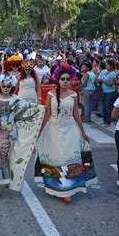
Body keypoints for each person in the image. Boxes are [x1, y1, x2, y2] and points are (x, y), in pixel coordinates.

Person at [36, 63, 96, 203]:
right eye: (62, 79)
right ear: (57, 79)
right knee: (57, 157)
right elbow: (48, 114)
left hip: (70, 130)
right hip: (54, 130)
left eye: (68, 79)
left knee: (69, 158)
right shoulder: (51, 94)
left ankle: (68, 190)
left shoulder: (74, 95)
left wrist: (83, 132)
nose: (65, 82)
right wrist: (40, 130)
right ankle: (55, 186)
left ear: (71, 80)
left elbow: (76, 114)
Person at [98, 60, 117, 127]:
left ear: (111, 66)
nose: (106, 66)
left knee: (107, 107)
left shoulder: (113, 73)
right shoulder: (105, 72)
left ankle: (108, 121)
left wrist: (102, 80)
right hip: (104, 91)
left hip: (110, 92)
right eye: (106, 65)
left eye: (107, 65)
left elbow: (111, 84)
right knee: (104, 107)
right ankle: (104, 120)